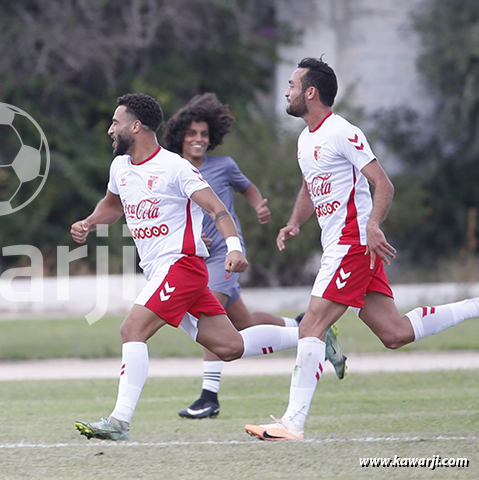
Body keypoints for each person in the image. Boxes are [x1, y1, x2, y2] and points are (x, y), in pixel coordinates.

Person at [244, 58, 479, 442]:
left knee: (312, 325)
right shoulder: (306, 138)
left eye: (291, 85)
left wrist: (372, 226)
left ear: (310, 92)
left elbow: (382, 183)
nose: (285, 91)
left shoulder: (343, 132)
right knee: (395, 333)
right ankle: (476, 305)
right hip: (344, 247)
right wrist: (295, 222)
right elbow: (310, 186)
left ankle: (292, 423)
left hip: (351, 245)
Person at [72, 94, 301, 441]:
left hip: (180, 266)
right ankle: (311, 335)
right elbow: (112, 206)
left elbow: (217, 210)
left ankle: (119, 422)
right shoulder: (120, 167)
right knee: (231, 347)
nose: (109, 130)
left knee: (131, 330)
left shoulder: (175, 168)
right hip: (165, 273)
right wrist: (89, 222)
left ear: (136, 126)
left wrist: (234, 247)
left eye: (115, 123)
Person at [162, 94, 346, 420]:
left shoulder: (224, 166)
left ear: (212, 137)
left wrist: (258, 204)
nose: (198, 139)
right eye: (192, 134)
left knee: (210, 313)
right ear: (180, 136)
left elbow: (246, 188)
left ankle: (209, 396)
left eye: (204, 134)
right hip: (193, 255)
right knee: (242, 323)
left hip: (226, 253)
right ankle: (306, 326)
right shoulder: (171, 168)